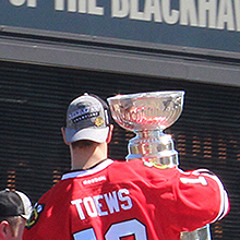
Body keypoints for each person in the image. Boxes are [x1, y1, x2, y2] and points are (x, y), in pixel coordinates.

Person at [23, 93, 230, 240]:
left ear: (65, 136)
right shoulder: (145, 179)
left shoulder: (50, 207)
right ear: (110, 132)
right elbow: (217, 199)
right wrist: (168, 166)